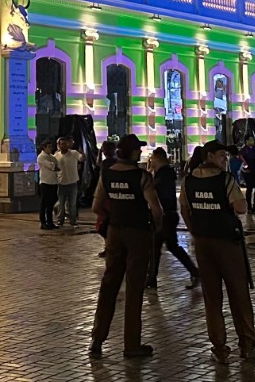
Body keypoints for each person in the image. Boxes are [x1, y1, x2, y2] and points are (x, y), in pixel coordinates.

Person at [181, 140, 255, 363]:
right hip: (227, 243)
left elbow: (184, 209)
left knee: (212, 297)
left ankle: (220, 346)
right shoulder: (225, 180)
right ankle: (247, 344)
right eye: (222, 155)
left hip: (203, 243)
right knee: (239, 294)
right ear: (210, 155)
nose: (226, 159)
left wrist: (195, 230)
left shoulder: (189, 181)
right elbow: (241, 207)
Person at [90, 135, 164, 360]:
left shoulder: (107, 173)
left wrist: (113, 218)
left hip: (115, 232)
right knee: (134, 289)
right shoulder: (142, 177)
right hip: (138, 234)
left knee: (109, 284)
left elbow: (96, 206)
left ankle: (97, 340)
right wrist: (156, 228)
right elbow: (156, 209)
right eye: (138, 150)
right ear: (132, 153)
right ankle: (131, 344)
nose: (141, 153)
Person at [146, 147, 198, 289]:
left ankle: (194, 271)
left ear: (158, 158)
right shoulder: (162, 173)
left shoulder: (164, 174)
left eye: (152, 158)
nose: (151, 161)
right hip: (166, 214)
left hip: (166, 215)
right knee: (158, 246)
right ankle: (152, 278)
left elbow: (158, 192)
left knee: (168, 246)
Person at [56, 137, 83, 229]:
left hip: (72, 181)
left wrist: (82, 153)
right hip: (61, 182)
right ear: (59, 145)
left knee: (72, 203)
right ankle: (60, 220)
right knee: (61, 203)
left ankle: (73, 221)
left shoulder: (74, 153)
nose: (64, 146)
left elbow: (82, 159)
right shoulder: (56, 156)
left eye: (65, 143)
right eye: (62, 144)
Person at [37, 138, 60, 230]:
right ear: (44, 147)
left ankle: (50, 222)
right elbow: (52, 166)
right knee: (44, 204)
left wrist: (55, 166)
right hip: (45, 183)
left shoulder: (52, 157)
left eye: (51, 146)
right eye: (49, 147)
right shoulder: (41, 157)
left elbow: (58, 165)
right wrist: (54, 166)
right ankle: (43, 222)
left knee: (51, 203)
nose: (51, 148)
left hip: (53, 182)